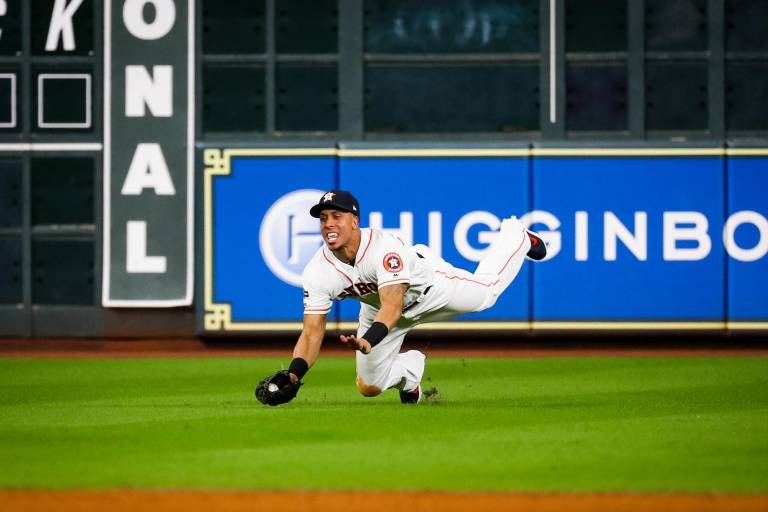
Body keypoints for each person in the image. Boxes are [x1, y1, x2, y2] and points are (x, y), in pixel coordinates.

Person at [255, 189, 546, 406]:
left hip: (430, 290)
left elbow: (393, 305)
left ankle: (516, 235)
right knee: (369, 386)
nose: (328, 223)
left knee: (487, 293)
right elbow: (311, 332)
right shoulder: (318, 271)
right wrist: (293, 375)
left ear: (354, 221)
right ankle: (411, 377)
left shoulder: (383, 248)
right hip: (377, 313)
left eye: (337, 216)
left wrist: (369, 339)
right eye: (323, 218)